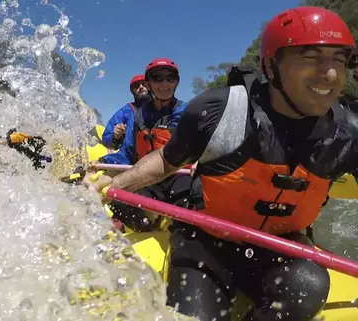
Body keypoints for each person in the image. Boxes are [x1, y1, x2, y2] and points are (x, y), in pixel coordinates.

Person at [84, 6, 357, 321]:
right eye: (310, 58)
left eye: (339, 59)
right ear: (270, 66)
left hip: (283, 247)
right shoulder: (217, 109)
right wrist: (114, 184)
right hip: (205, 240)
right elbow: (166, 160)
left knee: (308, 285)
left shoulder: (350, 133)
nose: (331, 74)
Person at [94, 58, 193, 232]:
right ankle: (147, 229)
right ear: (149, 83)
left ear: (176, 82)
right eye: (157, 78)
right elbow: (128, 152)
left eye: (170, 78)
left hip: (179, 176)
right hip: (149, 180)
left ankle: (179, 231)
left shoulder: (187, 112)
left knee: (189, 199)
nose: (164, 84)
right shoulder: (137, 116)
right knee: (118, 200)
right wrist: (106, 162)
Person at [98, 74, 151, 165]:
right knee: (99, 164)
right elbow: (106, 139)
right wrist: (115, 137)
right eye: (136, 86)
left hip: (156, 158)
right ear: (132, 91)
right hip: (128, 159)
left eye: (143, 84)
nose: (141, 87)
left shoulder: (161, 106)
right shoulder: (126, 111)